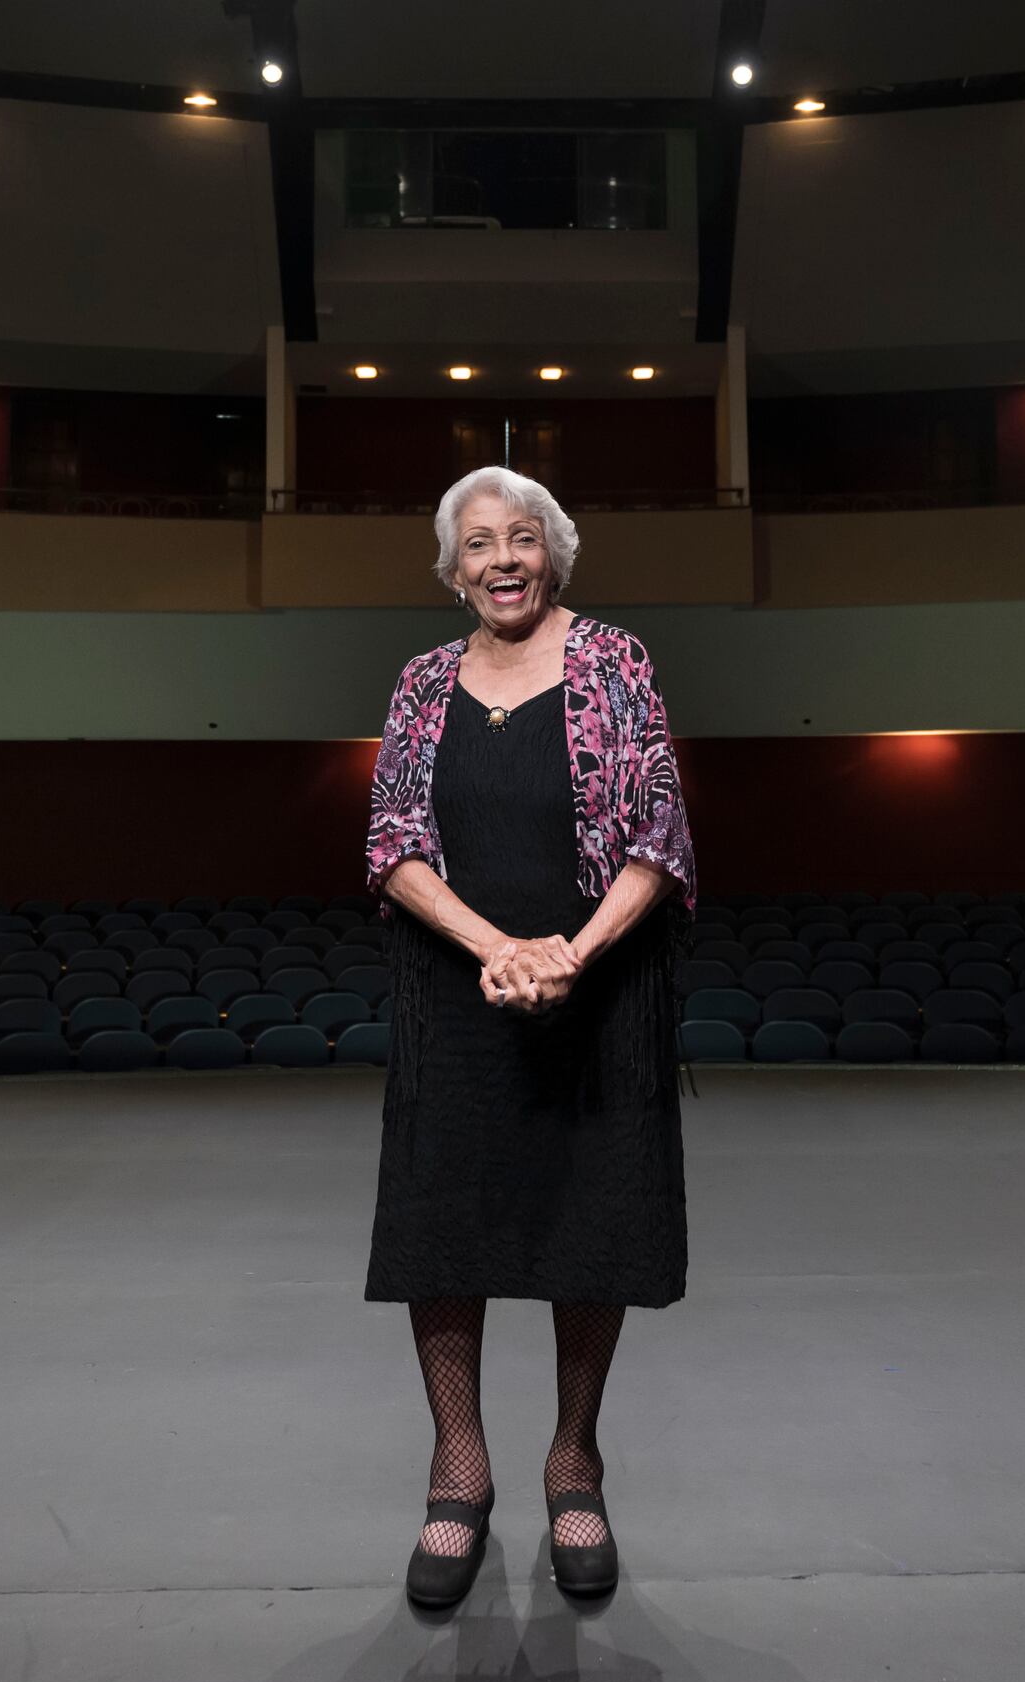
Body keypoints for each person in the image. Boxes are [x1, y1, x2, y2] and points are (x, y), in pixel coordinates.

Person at [361, 465, 700, 1608]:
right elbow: (391, 843)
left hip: (597, 994)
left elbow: (659, 833)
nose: (501, 560)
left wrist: (570, 955)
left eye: (521, 538)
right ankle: (458, 1470)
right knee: (442, 1231)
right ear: (452, 569)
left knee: (589, 1228)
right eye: (478, 544)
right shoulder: (420, 683)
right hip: (454, 995)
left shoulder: (615, 661)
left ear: (552, 550)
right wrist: (497, 948)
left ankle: (573, 1462)